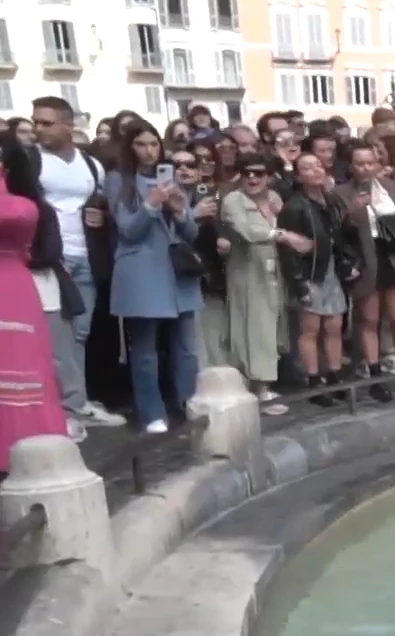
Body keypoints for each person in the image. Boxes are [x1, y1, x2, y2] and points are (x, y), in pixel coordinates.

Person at [29, 96, 120, 432]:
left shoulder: (90, 164)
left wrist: (101, 216)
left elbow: (98, 201)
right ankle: (64, 409)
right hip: (51, 260)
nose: (39, 129)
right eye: (36, 122)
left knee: (80, 334)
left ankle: (77, 402)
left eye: (47, 123)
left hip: (86, 255)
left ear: (69, 125)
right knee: (57, 338)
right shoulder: (31, 161)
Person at [105, 122, 203, 434]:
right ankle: (152, 412)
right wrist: (151, 204)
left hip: (178, 274)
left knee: (186, 347)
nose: (149, 151)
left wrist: (179, 211)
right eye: (140, 144)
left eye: (153, 144)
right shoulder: (119, 180)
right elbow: (128, 230)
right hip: (141, 273)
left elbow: (191, 233)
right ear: (129, 148)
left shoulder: (171, 178)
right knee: (144, 350)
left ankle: (190, 402)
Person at [0, 140, 73, 466]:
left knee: (21, 361)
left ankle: (28, 440)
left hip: (12, 284)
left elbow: (15, 216)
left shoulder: (23, 206)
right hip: (14, 282)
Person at [339, 143, 395, 399]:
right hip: (366, 258)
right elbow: (339, 230)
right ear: (351, 167)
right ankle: (375, 377)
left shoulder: (390, 186)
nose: (365, 168)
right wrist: (353, 209)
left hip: (393, 255)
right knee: (369, 321)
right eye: (360, 164)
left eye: (370, 163)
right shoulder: (340, 192)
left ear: (377, 164)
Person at [278, 152, 353, 407]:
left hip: (330, 268)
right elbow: (287, 248)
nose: (316, 170)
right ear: (299, 176)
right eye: (307, 168)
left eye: (318, 165)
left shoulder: (331, 201)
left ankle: (334, 375)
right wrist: (298, 284)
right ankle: (313, 379)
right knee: (311, 329)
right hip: (309, 272)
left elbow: (340, 236)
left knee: (334, 325)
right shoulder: (295, 206)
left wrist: (348, 261)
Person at [219, 153, 289, 412]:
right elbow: (248, 231)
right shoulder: (233, 201)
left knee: (272, 329)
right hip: (246, 273)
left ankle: (262, 387)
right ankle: (256, 391)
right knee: (252, 329)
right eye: (246, 172)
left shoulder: (274, 198)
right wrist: (282, 234)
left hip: (273, 271)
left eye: (259, 173)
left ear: (269, 176)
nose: (252, 177)